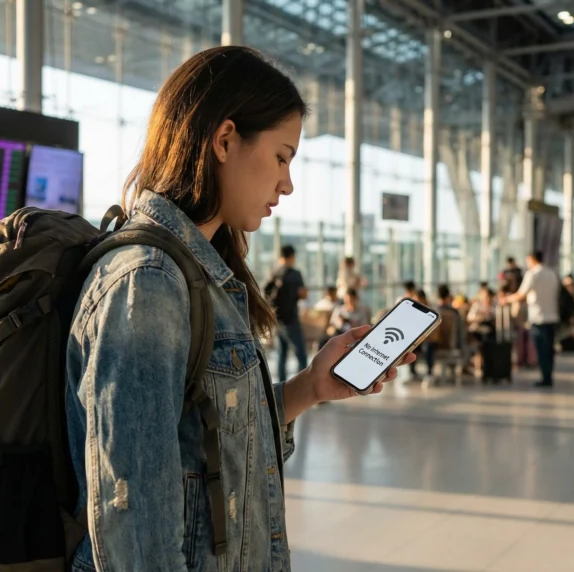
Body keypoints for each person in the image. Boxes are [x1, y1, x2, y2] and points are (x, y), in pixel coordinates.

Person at [65, 46, 415, 572]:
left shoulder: (199, 275)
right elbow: (133, 528)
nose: (287, 182)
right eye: (281, 156)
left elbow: (208, 447)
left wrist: (311, 388)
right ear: (225, 139)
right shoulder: (149, 283)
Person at [500, 251, 561, 387]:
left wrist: (506, 300)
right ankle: (548, 375)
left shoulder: (533, 274)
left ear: (532, 259)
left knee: (541, 349)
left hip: (538, 317)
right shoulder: (551, 273)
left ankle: (545, 377)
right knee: (549, 349)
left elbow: (521, 294)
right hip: (552, 316)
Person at [267, 244, 310, 382]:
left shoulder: (274, 273)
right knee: (301, 354)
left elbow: (265, 292)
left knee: (282, 354)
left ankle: (281, 385)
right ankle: (302, 385)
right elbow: (303, 294)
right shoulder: (295, 274)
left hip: (278, 319)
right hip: (291, 318)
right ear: (292, 256)